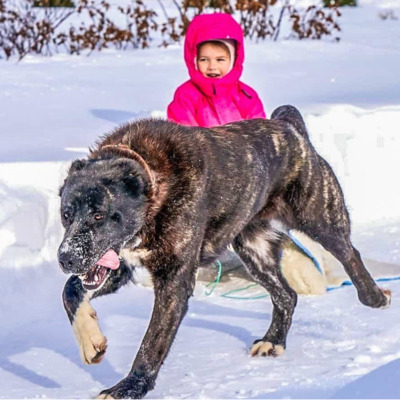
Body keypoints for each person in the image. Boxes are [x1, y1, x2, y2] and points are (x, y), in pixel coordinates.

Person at [167, 12, 266, 127]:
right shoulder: (185, 97)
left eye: (220, 60)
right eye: (204, 59)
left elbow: (261, 133)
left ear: (234, 60)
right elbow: (181, 136)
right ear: (194, 60)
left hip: (243, 145)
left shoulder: (247, 96)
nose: (212, 66)